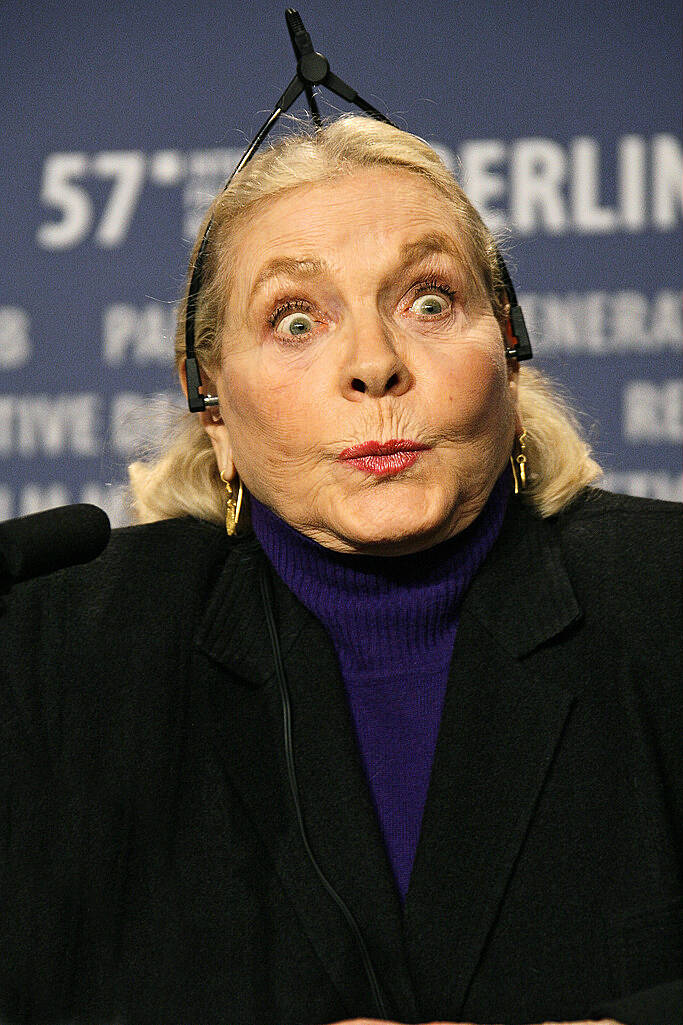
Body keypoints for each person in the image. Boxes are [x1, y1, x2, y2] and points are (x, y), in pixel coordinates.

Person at [0, 115, 681, 1025]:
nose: (373, 364)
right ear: (212, 406)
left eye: (428, 301)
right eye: (294, 319)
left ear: (509, 354)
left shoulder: (663, 595)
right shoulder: (52, 653)